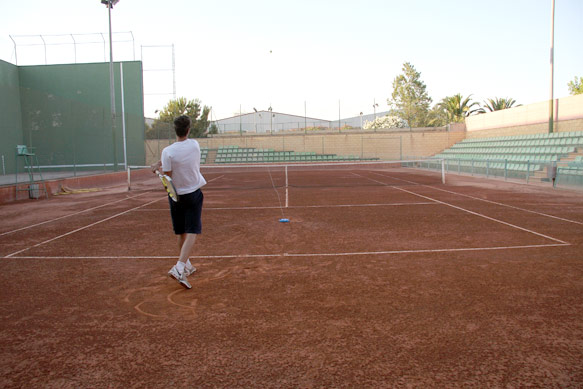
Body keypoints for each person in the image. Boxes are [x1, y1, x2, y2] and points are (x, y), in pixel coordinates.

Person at [151, 115, 206, 289]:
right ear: (188, 130)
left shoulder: (167, 152)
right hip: (193, 194)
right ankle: (180, 266)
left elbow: (168, 179)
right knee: (192, 231)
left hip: (176, 197)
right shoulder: (194, 145)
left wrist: (158, 169)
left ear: (175, 130)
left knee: (181, 232)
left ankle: (186, 264)